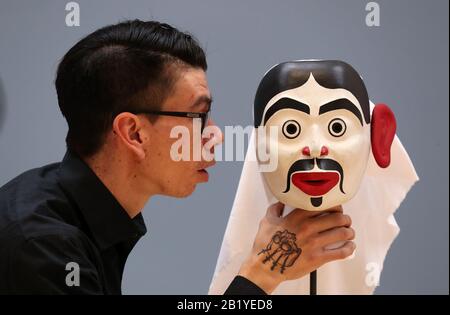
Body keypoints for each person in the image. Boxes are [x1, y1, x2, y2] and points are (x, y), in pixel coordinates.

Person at [0, 20, 355, 294]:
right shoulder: (40, 249)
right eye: (199, 117)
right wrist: (263, 271)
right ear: (134, 133)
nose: (216, 134)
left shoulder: (67, 208)